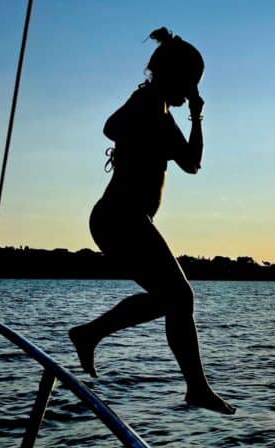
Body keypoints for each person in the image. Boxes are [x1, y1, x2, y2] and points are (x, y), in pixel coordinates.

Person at [69, 27, 235, 414]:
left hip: (127, 219)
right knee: (180, 296)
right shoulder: (147, 102)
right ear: (172, 75)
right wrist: (148, 117)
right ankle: (196, 388)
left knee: (171, 298)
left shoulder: (162, 113)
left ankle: (90, 333)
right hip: (118, 217)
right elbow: (111, 126)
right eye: (190, 82)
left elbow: (192, 164)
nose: (192, 88)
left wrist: (196, 115)